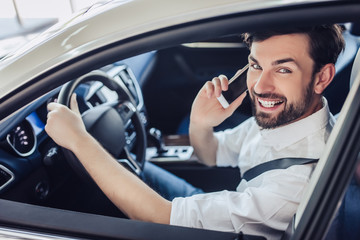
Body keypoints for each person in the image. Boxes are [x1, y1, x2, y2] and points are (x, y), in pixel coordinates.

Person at [45, 24, 345, 240]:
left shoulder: (294, 186)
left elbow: (159, 218)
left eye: (283, 70)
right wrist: (200, 122)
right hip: (227, 210)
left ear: (322, 77)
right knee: (137, 170)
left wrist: (79, 140)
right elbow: (210, 155)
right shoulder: (285, 118)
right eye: (256, 66)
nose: (259, 87)